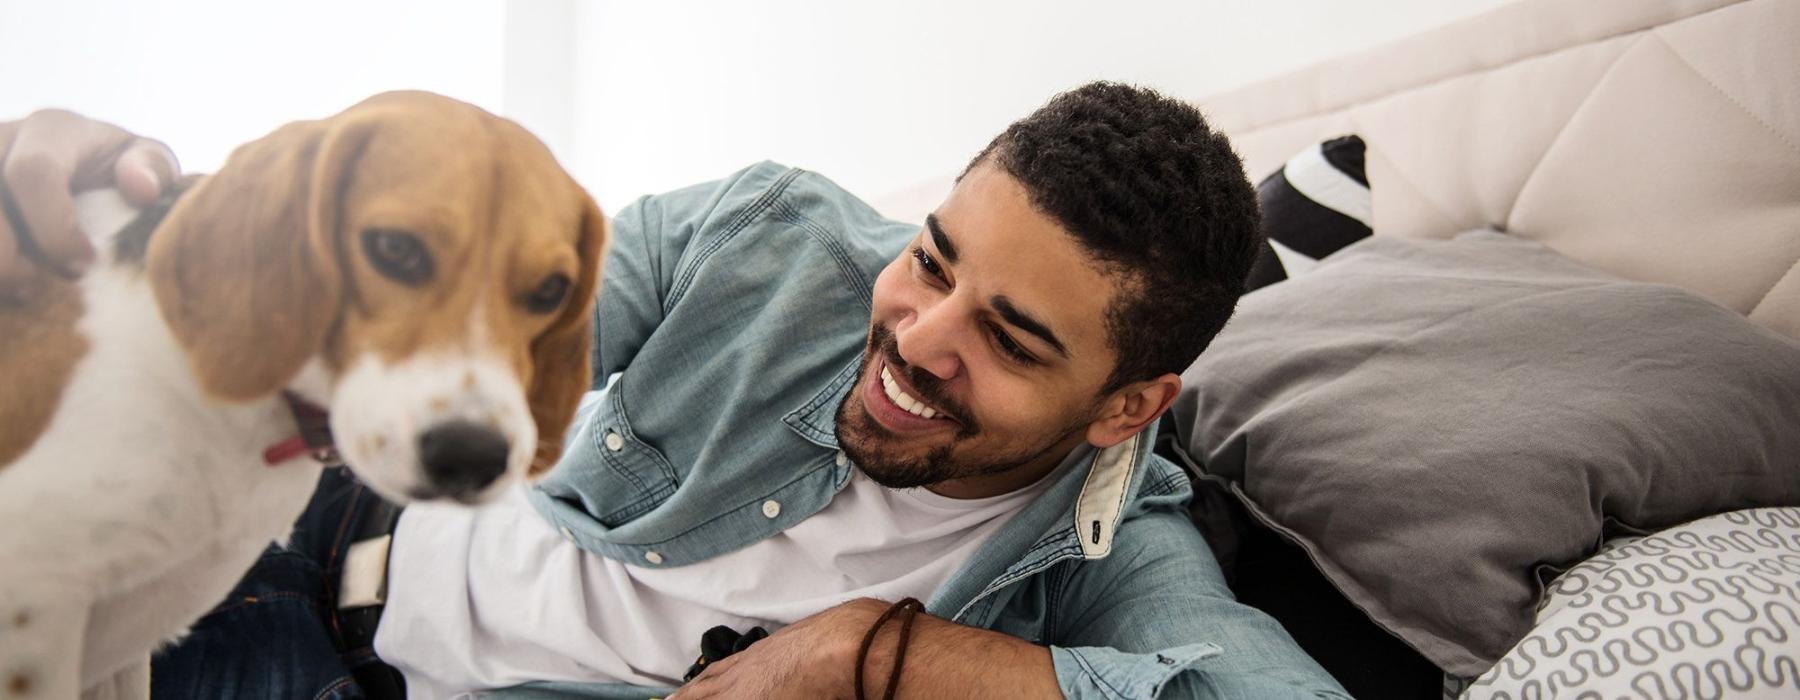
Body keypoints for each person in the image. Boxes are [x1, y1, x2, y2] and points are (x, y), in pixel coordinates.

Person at [0, 82, 1350, 699]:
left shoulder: (1107, 551)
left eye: (1008, 338)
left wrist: (875, 655)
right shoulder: (772, 238)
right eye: (930, 258)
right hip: (316, 500)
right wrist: (140, 197)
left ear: (1130, 404)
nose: (917, 335)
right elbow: (471, 278)